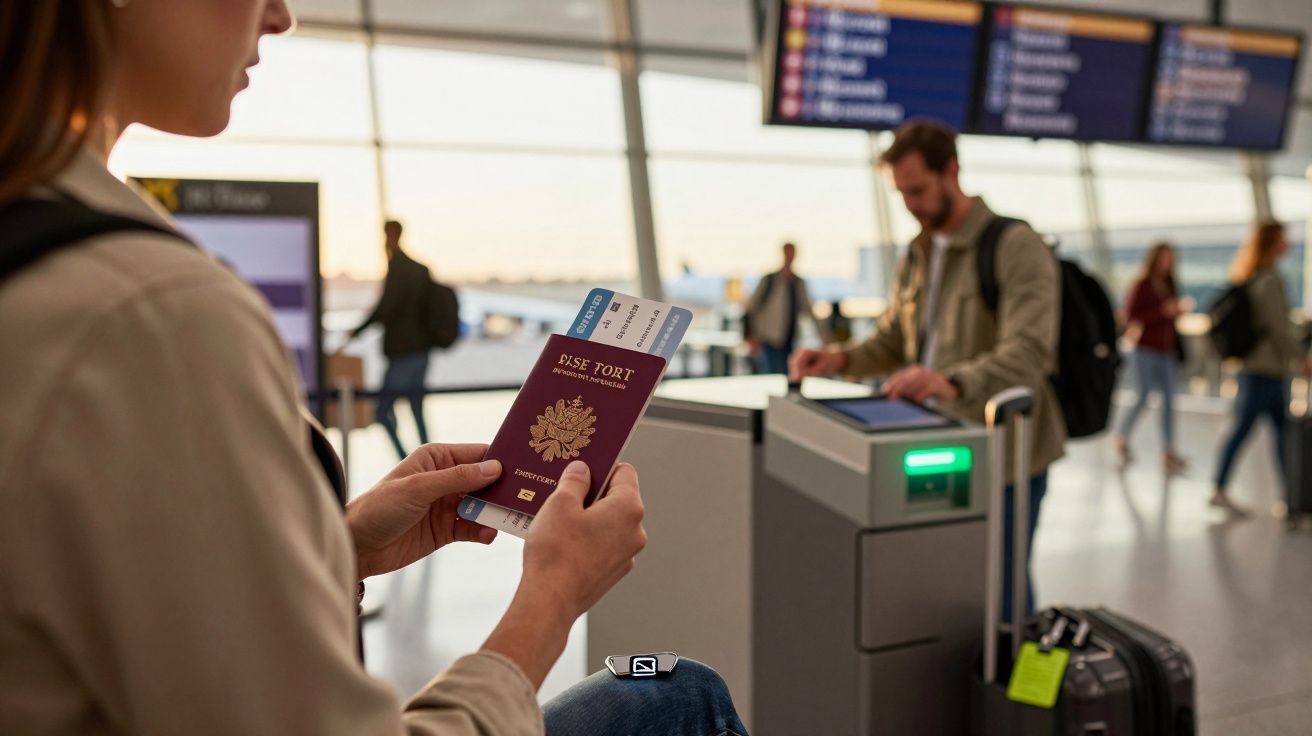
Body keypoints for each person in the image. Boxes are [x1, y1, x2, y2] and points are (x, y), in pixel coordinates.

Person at [0, 3, 746, 735]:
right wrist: (554, 595)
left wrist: (336, 549)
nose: (281, 16)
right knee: (676, 693)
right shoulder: (153, 314)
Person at [790, 120, 1065, 622]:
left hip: (1004, 452)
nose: (912, 204)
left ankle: (1018, 697)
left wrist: (952, 381)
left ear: (952, 171)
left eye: (918, 189)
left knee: (1001, 594)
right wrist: (839, 358)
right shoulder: (916, 255)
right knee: (950, 590)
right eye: (902, 194)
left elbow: (1030, 352)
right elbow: (895, 340)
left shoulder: (1014, 245)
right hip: (937, 445)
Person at [1212, 221, 1311, 517]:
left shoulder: (1253, 275)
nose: (1288, 243)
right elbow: (1277, 328)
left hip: (1256, 368)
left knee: (1273, 433)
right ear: (1273, 242)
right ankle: (1286, 495)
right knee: (1255, 431)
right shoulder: (1271, 280)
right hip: (1265, 370)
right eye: (1284, 238)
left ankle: (1290, 495)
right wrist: (1301, 358)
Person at [341, 220, 436, 460]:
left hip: (403, 352)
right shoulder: (419, 269)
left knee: (382, 411)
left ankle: (407, 462)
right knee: (416, 411)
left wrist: (357, 330)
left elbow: (386, 308)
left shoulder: (398, 267)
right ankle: (431, 465)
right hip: (421, 351)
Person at [1114, 242, 1188, 474]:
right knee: (1143, 395)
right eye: (1163, 258)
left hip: (1167, 351)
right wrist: (1161, 313)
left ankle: (1168, 451)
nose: (1167, 263)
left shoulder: (1169, 284)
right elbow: (1131, 316)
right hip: (1145, 349)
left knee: (1168, 401)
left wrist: (1175, 312)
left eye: (1170, 258)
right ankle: (1122, 436)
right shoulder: (1142, 285)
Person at [743, 242, 830, 374]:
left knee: (786, 374)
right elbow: (751, 308)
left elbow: (809, 311)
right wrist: (749, 335)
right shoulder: (770, 280)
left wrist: (824, 337)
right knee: (772, 375)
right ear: (783, 254)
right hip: (769, 338)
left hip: (789, 339)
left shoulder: (798, 283)